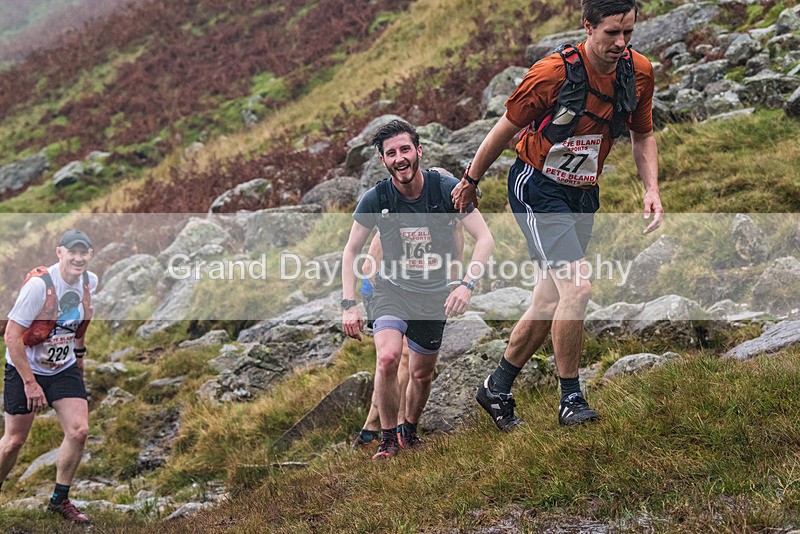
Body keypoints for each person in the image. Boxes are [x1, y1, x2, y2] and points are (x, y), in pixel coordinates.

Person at [452, 0, 662, 430]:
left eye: (628, 33)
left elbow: (643, 137)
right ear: (588, 26)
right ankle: (571, 399)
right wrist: (470, 180)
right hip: (537, 186)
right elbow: (503, 130)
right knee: (578, 287)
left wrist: (652, 189)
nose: (621, 43)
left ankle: (496, 387)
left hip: (583, 193)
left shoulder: (638, 71)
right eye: (611, 34)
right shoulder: (552, 74)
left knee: (550, 299)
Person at [342, 119, 493, 459]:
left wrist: (464, 286)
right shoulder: (379, 199)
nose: (399, 158)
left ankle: (408, 429)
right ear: (383, 160)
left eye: (405, 149)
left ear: (419, 151)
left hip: (432, 294)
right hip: (389, 290)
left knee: (421, 373)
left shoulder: (446, 195)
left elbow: (479, 241)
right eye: (391, 153)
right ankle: (385, 438)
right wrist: (351, 302)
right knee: (389, 356)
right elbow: (359, 254)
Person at [0, 230, 98, 523]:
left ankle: (59, 500)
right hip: (25, 367)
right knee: (15, 440)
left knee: (79, 430)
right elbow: (12, 335)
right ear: (60, 252)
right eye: (73, 252)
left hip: (63, 367)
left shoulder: (89, 282)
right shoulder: (39, 287)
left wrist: (78, 355)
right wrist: (30, 383)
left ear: (90, 255)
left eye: (84, 253)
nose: (78, 258)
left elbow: (81, 322)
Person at [353, 217, 465, 450]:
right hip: (386, 293)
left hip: (425, 297)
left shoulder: (453, 222)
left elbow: (455, 261)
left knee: (405, 362)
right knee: (398, 356)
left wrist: (454, 291)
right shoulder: (405, 217)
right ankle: (392, 426)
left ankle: (376, 427)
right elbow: (368, 267)